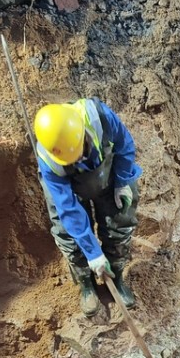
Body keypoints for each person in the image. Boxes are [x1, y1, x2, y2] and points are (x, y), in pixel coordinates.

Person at [34, 99, 141, 318]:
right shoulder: (49, 159)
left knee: (121, 219)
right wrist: (93, 255)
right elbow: (68, 208)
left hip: (107, 175)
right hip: (70, 190)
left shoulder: (99, 117)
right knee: (68, 234)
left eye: (81, 151)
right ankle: (86, 283)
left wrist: (122, 182)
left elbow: (125, 145)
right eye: (74, 159)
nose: (80, 159)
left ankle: (116, 276)